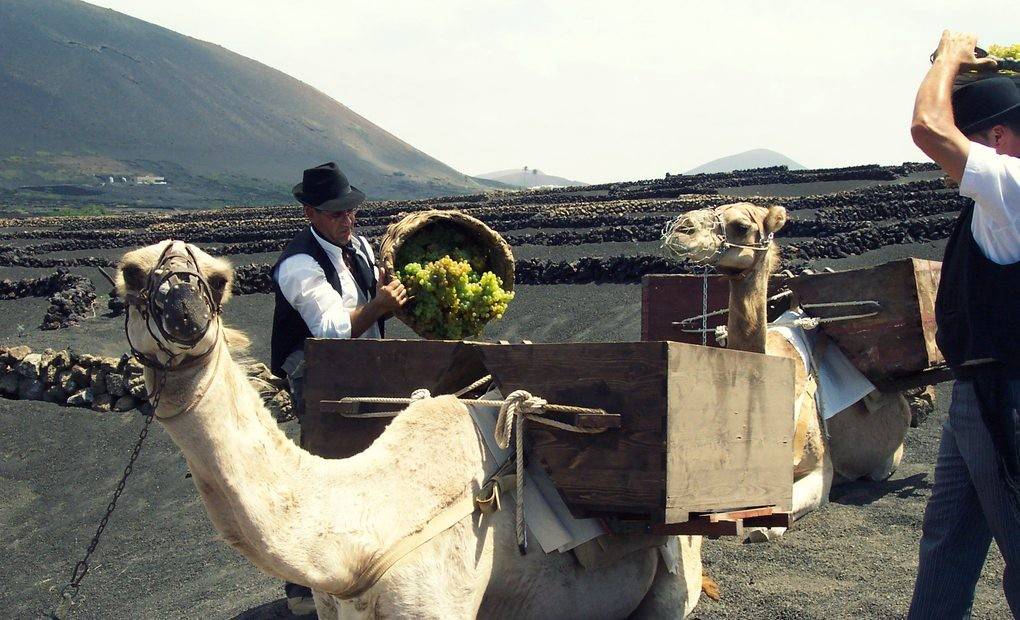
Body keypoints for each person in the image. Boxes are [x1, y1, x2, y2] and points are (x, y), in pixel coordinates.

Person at [908, 31, 1020, 618]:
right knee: (947, 544)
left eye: (971, 142)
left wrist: (950, 52)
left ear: (997, 139)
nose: (954, 161)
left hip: (1007, 398)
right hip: (979, 394)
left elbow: (927, 128)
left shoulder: (1014, 187)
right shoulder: (997, 200)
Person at [269, 162, 407, 614]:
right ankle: (301, 586)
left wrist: (387, 299)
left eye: (350, 211)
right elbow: (329, 329)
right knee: (322, 466)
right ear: (310, 213)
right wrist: (379, 306)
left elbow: (370, 307)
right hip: (315, 369)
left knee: (370, 459)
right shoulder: (298, 264)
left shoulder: (359, 246)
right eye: (335, 214)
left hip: (363, 362)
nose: (347, 220)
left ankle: (363, 563)